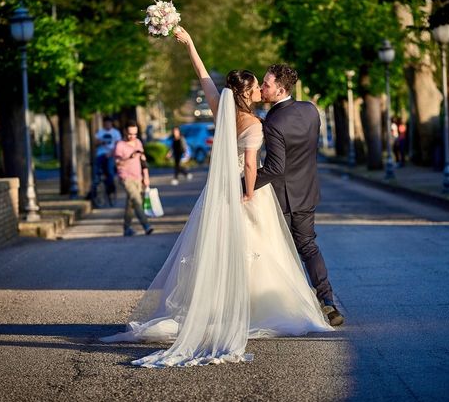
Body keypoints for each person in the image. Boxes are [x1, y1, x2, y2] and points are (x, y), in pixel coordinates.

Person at [100, 27, 333, 368]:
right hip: (246, 194)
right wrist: (249, 194)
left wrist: (191, 42)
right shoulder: (255, 124)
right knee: (262, 251)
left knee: (217, 250)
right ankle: (260, 308)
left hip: (217, 192)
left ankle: (215, 309)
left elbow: (203, 75)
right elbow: (251, 167)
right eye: (257, 87)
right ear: (249, 94)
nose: (260, 90)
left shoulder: (220, 108)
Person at [255, 64, 345, 327]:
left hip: (281, 197)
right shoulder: (309, 110)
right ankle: (327, 301)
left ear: (280, 88)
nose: (262, 87)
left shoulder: (274, 122)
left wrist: (242, 183)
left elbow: (275, 168)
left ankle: (291, 306)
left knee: (279, 252)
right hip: (306, 191)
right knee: (308, 247)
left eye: (266, 84)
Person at [114, 120, 154, 237]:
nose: (132, 136)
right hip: (126, 177)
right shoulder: (120, 145)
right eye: (130, 134)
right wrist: (129, 157)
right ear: (125, 132)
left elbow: (143, 161)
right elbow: (117, 163)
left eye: (135, 134)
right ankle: (146, 226)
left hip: (138, 177)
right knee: (136, 201)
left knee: (130, 203)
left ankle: (127, 228)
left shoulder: (138, 143)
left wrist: (146, 177)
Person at [90, 117, 121, 207]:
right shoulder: (100, 132)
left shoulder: (115, 133)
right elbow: (95, 142)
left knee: (110, 171)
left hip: (111, 155)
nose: (107, 125)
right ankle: (96, 185)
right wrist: (100, 142)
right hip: (101, 154)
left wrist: (111, 153)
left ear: (111, 124)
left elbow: (118, 145)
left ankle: (111, 188)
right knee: (96, 170)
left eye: (109, 123)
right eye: (106, 123)